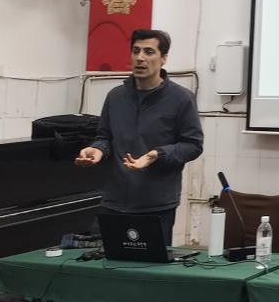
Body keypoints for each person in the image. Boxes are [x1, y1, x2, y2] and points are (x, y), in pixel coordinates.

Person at [75, 29, 203, 245]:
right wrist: (97, 150)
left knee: (149, 264)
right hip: (114, 200)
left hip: (156, 204)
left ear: (163, 58)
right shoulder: (116, 96)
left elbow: (193, 145)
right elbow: (104, 137)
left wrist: (157, 154)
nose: (140, 58)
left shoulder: (181, 99)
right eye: (136, 51)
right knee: (104, 261)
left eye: (149, 52)